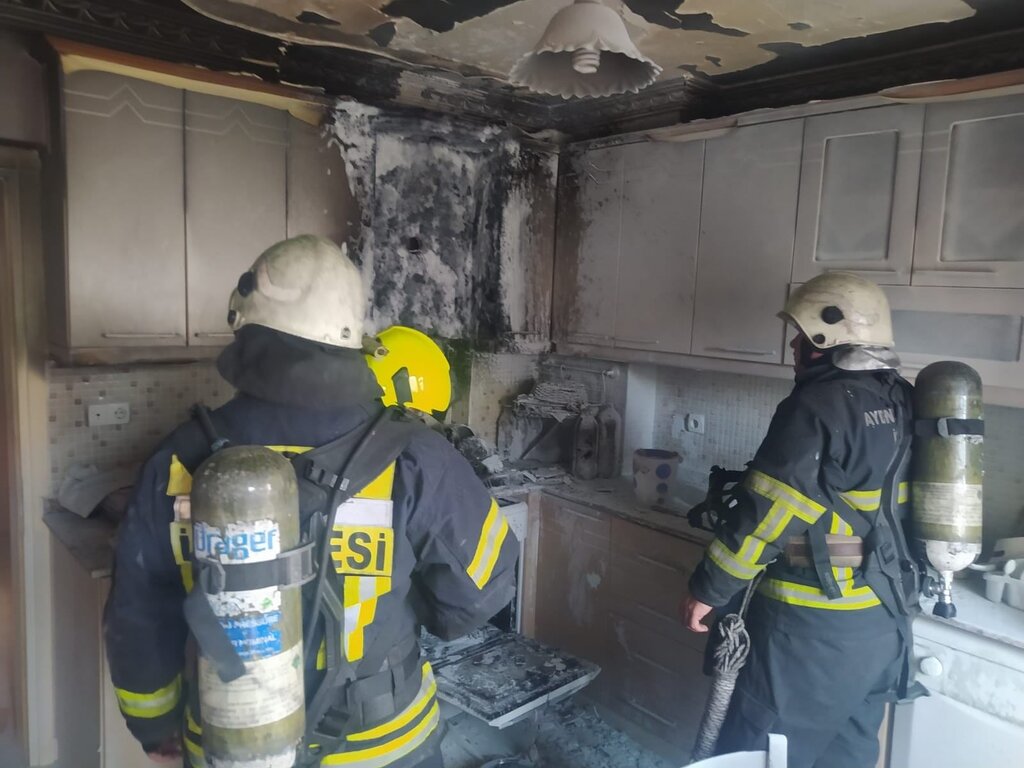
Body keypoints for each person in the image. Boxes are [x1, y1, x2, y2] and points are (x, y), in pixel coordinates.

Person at [104, 236, 520, 768]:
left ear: (245, 328)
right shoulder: (418, 457)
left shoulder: (175, 462)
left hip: (234, 746)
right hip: (385, 747)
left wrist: (155, 725)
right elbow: (478, 597)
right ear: (352, 339)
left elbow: (137, 615)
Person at [680, 272, 916, 768]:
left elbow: (770, 514)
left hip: (812, 631)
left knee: (758, 754)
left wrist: (709, 588)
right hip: (883, 621)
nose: (793, 345)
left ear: (829, 339)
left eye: (803, 334)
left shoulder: (818, 407)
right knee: (845, 755)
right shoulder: (901, 398)